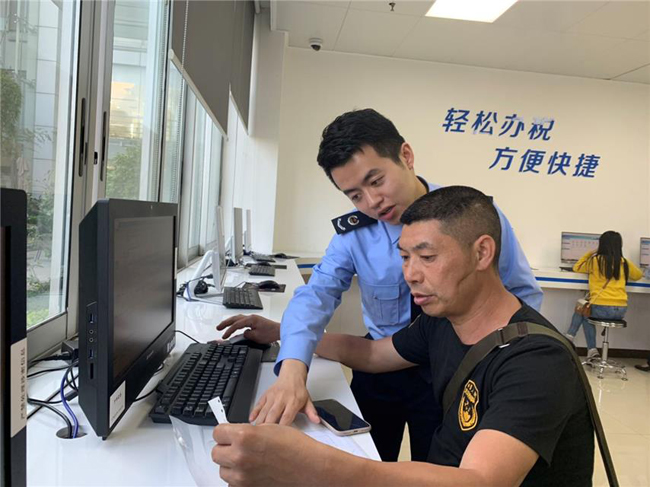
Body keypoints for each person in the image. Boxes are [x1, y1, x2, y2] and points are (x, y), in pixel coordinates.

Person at [211, 186, 594, 487]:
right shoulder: (442, 320)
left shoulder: (536, 361)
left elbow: (479, 481)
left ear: (482, 253)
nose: (410, 274)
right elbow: (371, 354)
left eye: (427, 257)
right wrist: (284, 334)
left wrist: (316, 467)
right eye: (405, 257)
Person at [218, 109, 543, 462]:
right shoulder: (354, 234)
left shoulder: (467, 216)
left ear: (406, 156)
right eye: (355, 195)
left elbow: (521, 295)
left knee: (439, 466)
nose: (372, 202)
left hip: (453, 368)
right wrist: (293, 366)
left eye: (376, 181)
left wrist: (494, 367)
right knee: (367, 459)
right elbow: (317, 295)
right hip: (381, 367)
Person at [566, 231, 642, 359]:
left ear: (601, 244)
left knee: (583, 309)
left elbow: (577, 267)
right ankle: (587, 348)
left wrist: (590, 253)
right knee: (586, 310)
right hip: (620, 311)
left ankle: (574, 339)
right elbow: (638, 275)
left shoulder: (595, 261)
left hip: (601, 308)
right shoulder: (624, 262)